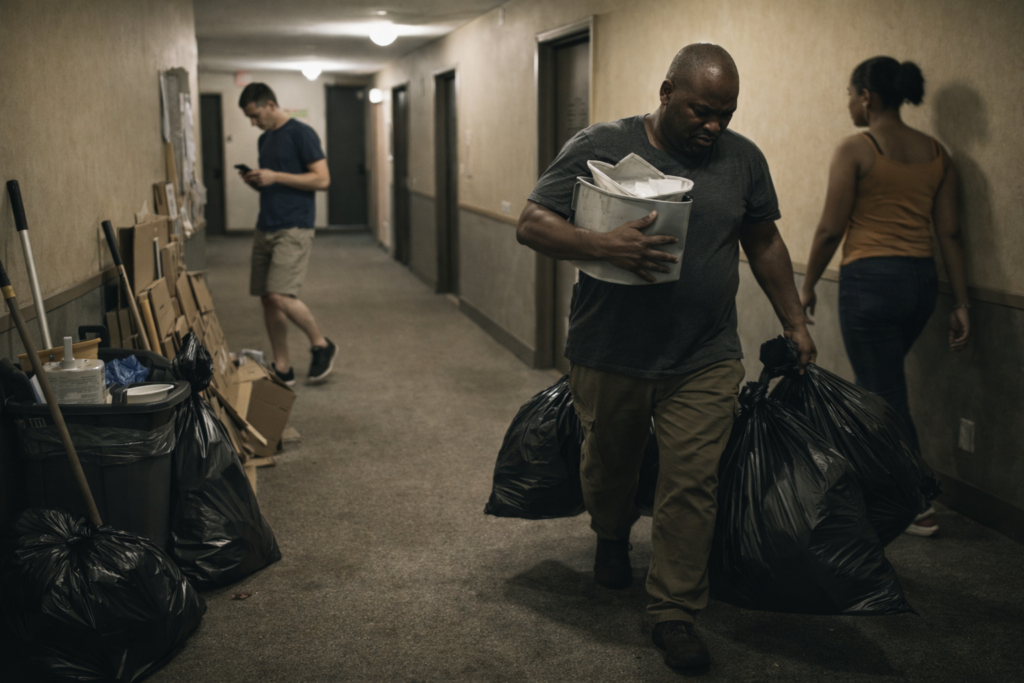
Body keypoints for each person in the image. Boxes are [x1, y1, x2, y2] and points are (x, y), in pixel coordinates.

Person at [516, 44, 815, 674]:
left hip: (704, 354)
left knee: (693, 482)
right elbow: (533, 222)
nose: (713, 126)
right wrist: (601, 244)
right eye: (701, 112)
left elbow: (764, 241)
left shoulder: (743, 161)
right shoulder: (600, 143)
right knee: (609, 465)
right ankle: (611, 532)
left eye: (725, 115)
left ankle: (674, 611)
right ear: (666, 91)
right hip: (610, 349)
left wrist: (795, 320)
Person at [799, 57, 969, 537]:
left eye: (850, 93)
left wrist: (807, 283)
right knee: (877, 386)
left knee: (882, 396)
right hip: (921, 285)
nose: (848, 102)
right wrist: (961, 304)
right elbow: (951, 234)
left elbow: (832, 227)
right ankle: (868, 484)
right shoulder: (937, 153)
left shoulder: (857, 148)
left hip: (870, 282)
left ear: (867, 96)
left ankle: (917, 501)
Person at [237, 83, 337, 386]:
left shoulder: (301, 133)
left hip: (294, 225)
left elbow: (322, 179)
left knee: (281, 295)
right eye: (249, 119)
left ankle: (321, 344)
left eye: (255, 115)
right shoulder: (265, 140)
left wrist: (275, 175)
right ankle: (283, 366)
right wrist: (257, 180)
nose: (253, 123)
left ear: (270, 104)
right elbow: (275, 181)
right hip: (266, 223)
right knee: (268, 298)